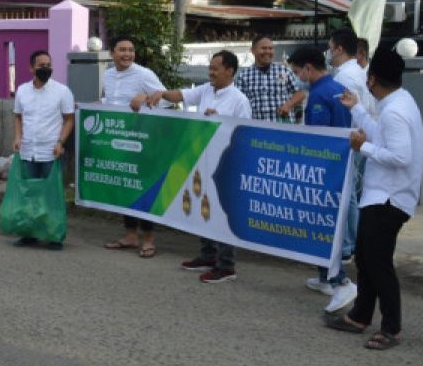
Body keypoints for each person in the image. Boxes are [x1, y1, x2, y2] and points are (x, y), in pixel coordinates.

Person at [324, 50, 423, 350]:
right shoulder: (396, 102)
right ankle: (360, 316)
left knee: (378, 263)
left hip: (389, 199)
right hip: (381, 196)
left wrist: (362, 146)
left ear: (372, 79)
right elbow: (383, 135)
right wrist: (357, 109)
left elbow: (400, 156)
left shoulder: (394, 110)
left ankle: (391, 327)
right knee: (366, 259)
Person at [142, 51, 252, 283]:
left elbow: (243, 134)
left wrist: (220, 119)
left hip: (225, 164)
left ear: (230, 71)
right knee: (204, 207)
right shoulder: (205, 90)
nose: (210, 72)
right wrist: (161, 93)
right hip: (203, 159)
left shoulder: (239, 99)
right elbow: (180, 95)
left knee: (221, 214)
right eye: (210, 67)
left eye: (215, 68)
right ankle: (208, 255)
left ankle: (226, 266)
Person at [287, 46, 357, 308]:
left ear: (308, 68)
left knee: (322, 228)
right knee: (323, 226)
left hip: (325, 170)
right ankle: (324, 277)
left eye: (297, 71)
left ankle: (341, 282)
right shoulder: (337, 88)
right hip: (341, 165)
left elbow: (317, 138)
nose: (297, 77)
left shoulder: (318, 95)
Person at [101, 35, 167, 259]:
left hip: (142, 142)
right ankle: (130, 235)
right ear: (112, 53)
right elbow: (109, 101)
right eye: (122, 50)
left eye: (131, 50)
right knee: (124, 187)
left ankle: (148, 239)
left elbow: (167, 98)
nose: (127, 54)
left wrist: (147, 95)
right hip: (118, 141)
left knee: (142, 189)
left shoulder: (144, 74)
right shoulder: (108, 75)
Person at [10, 49, 75, 250]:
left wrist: (60, 142)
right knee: (30, 194)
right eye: (41, 65)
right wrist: (18, 137)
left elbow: (69, 119)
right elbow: (18, 116)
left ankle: (54, 235)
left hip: (51, 153)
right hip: (28, 151)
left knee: (51, 195)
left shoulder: (62, 91)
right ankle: (30, 234)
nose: (46, 68)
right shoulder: (22, 90)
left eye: (48, 65)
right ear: (31, 68)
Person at [328, 28, 372, 271]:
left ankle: (347, 246)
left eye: (330, 47)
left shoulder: (344, 76)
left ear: (339, 49)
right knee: (355, 193)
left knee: (349, 196)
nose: (329, 52)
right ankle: (352, 244)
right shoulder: (359, 71)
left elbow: (344, 112)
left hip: (351, 138)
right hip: (361, 136)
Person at [235, 35, 304, 122]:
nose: (268, 51)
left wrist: (288, 105)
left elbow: (300, 93)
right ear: (252, 50)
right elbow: (237, 102)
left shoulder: (284, 71)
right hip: (257, 129)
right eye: (263, 48)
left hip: (283, 127)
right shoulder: (243, 76)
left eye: (270, 48)